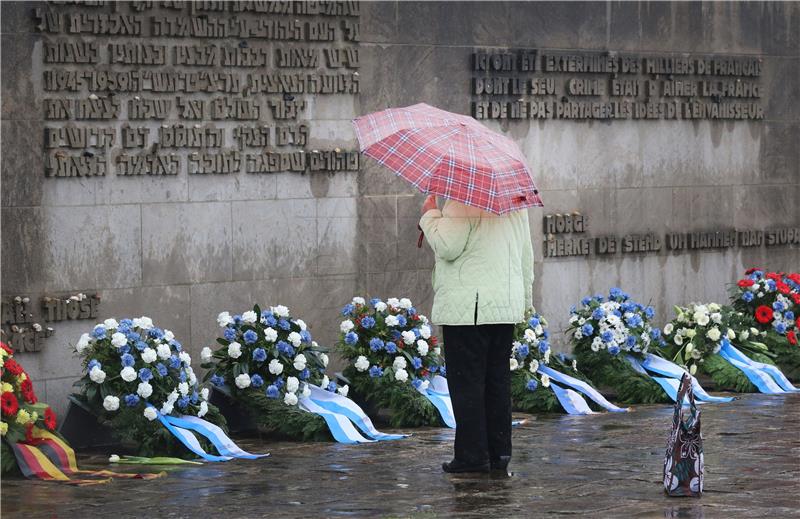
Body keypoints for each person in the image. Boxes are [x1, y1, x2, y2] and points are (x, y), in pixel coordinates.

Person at [419, 194, 533, 474]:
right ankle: (498, 453)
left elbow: (447, 246)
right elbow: (526, 256)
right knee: (497, 382)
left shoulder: (462, 200)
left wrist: (429, 214)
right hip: (503, 308)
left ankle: (472, 456)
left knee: (467, 383)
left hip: (469, 309)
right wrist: (525, 303)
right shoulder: (515, 203)